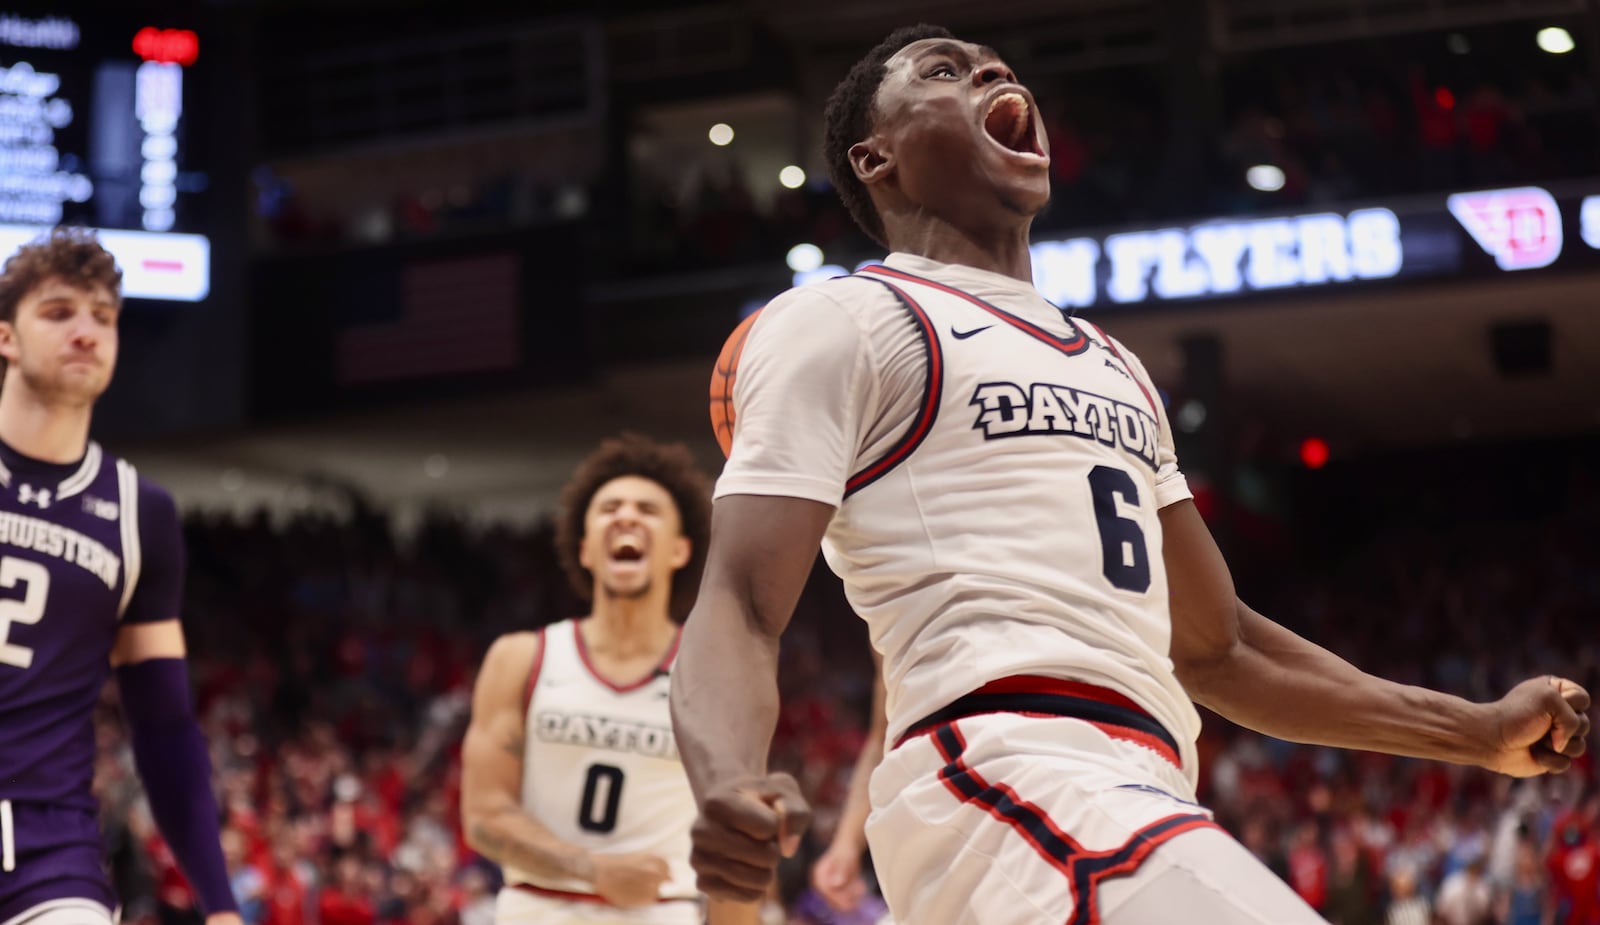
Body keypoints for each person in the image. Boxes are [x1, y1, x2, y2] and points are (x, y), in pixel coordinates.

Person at [667, 23, 1591, 925]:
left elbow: (1221, 647)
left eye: (995, 64)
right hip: (1002, 766)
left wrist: (1472, 732)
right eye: (945, 72)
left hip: (1138, 782)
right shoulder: (845, 316)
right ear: (877, 160)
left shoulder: (1112, 362)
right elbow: (742, 601)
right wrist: (723, 786)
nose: (989, 72)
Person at [0, 228, 241, 925]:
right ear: (6, 338)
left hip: (48, 851)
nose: (86, 331)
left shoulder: (142, 514)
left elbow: (165, 725)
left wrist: (219, 903)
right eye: (59, 312)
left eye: (102, 317)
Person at [460, 434, 759, 925]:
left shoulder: (718, 676)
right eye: (610, 508)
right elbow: (484, 817)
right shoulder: (520, 659)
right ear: (584, 549)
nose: (626, 517)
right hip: (536, 909)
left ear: (681, 550)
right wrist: (593, 870)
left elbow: (737, 849)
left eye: (648, 509)